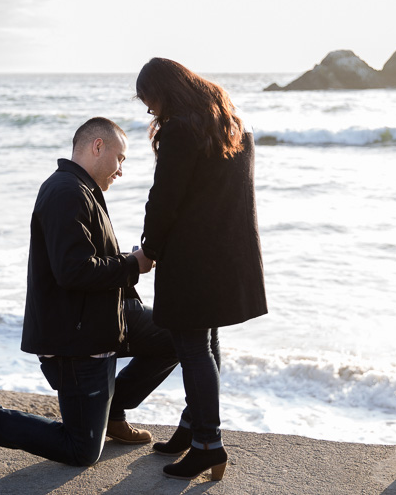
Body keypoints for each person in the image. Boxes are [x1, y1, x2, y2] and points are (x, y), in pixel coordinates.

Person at [0, 117, 178, 466]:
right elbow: (74, 270)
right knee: (80, 450)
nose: (121, 170)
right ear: (98, 146)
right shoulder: (66, 192)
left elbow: (85, 260)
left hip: (102, 317)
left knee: (177, 334)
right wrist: (131, 265)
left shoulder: (80, 189)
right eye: (120, 158)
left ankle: (112, 411)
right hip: (76, 339)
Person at [134, 58, 267, 481]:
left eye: (149, 101)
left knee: (192, 346)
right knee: (205, 342)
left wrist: (149, 249)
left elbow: (165, 198)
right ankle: (194, 429)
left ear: (165, 91)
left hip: (192, 258)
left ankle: (208, 444)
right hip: (228, 255)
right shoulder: (232, 125)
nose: (150, 111)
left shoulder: (181, 130)